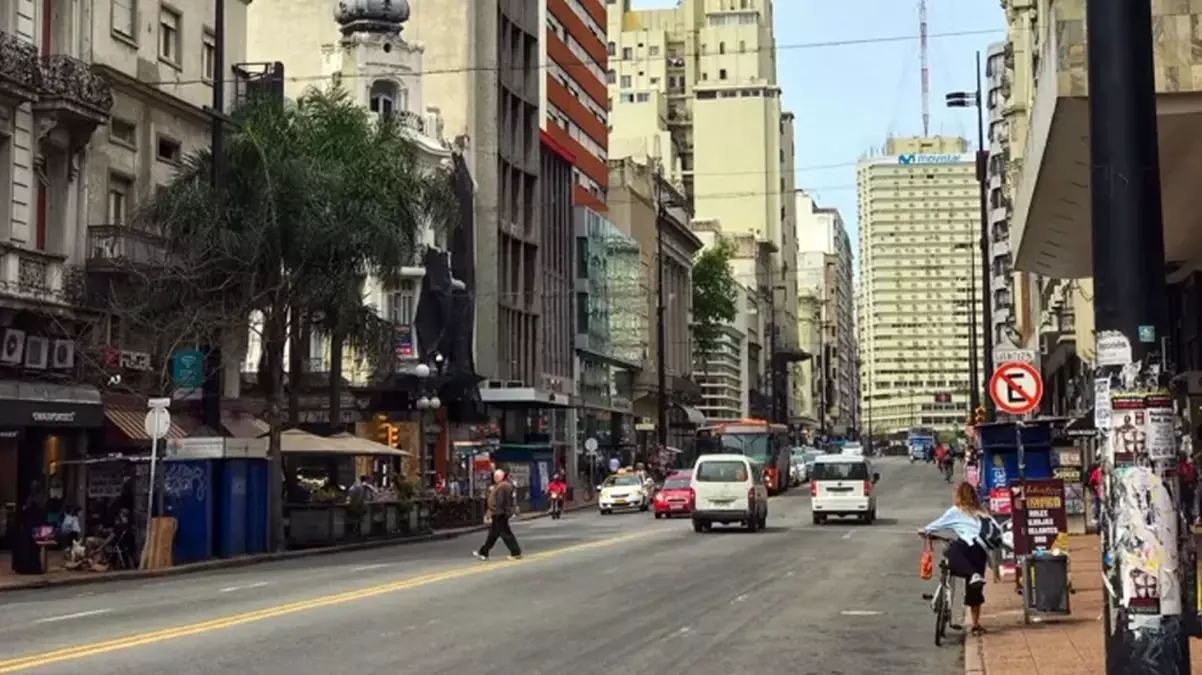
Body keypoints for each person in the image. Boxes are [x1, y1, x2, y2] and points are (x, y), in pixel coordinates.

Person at [918, 482, 997, 636]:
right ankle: (975, 624)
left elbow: (937, 525)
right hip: (980, 550)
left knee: (953, 555)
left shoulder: (956, 511)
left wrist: (924, 530)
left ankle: (969, 575)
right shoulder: (982, 512)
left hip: (964, 547)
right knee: (975, 588)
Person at [474, 469, 521, 561]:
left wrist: (498, 512)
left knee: (506, 534)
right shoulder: (499, 486)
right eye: (495, 476)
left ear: (501, 477)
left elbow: (500, 501)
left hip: (500, 513)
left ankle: (516, 552)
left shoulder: (503, 486)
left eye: (497, 476)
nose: (495, 478)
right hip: (497, 513)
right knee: (493, 535)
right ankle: (484, 552)